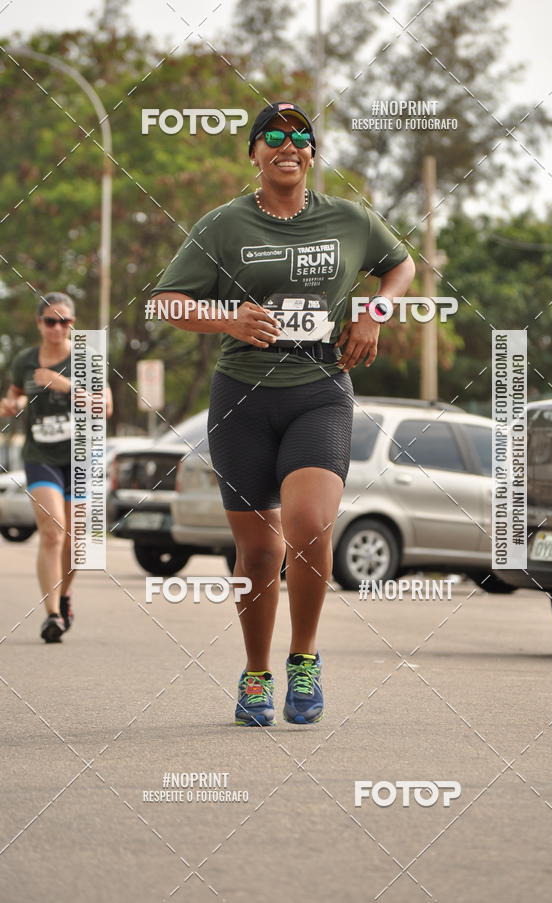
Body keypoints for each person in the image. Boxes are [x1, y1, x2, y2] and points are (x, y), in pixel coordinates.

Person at [152, 101, 415, 725]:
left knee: (307, 525)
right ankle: (255, 674)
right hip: (241, 396)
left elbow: (400, 265)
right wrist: (226, 318)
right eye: (274, 136)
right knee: (259, 554)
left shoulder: (349, 220)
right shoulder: (222, 226)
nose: (288, 145)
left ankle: (303, 658)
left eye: (301, 137)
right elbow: (164, 301)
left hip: (319, 387)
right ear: (254, 152)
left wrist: (374, 314)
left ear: (313, 154)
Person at [0, 293, 113, 642]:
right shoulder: (24, 360)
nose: (57, 327)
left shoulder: (87, 359)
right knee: (53, 531)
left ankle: (64, 595)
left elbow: (105, 407)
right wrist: (12, 403)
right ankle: (51, 615)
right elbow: (17, 392)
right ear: (39, 324)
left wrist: (67, 386)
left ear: (73, 324)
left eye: (64, 321)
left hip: (82, 457)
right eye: (50, 321)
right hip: (41, 457)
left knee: (77, 542)